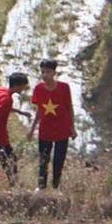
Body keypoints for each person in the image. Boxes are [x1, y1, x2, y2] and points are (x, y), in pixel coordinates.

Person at [28, 59, 74, 191]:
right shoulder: (38, 89)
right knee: (43, 159)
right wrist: (32, 130)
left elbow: (69, 107)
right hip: (45, 130)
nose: (44, 75)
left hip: (62, 129)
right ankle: (41, 186)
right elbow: (39, 111)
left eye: (47, 72)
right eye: (42, 72)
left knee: (58, 160)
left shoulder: (64, 87)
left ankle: (56, 186)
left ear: (54, 72)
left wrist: (73, 128)